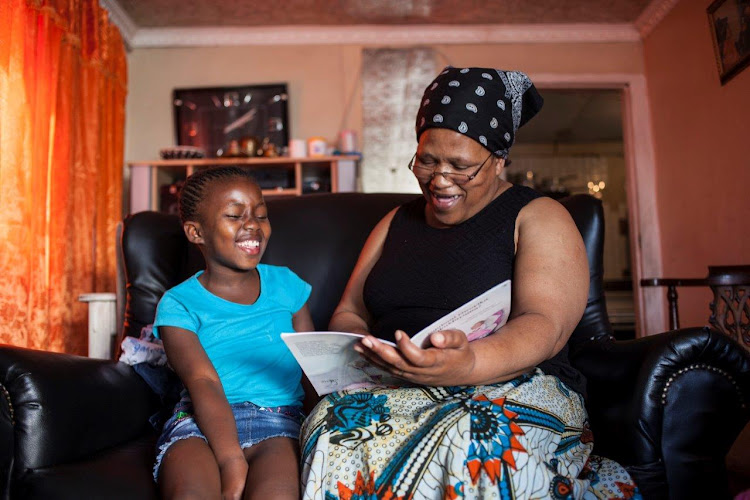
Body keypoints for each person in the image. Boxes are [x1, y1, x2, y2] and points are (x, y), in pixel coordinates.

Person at [301, 67, 639, 499]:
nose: (439, 180)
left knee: (472, 438)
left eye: (461, 166)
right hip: (391, 387)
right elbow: (351, 309)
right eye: (426, 160)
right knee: (332, 428)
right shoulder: (394, 222)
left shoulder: (537, 215)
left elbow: (545, 324)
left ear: (499, 161)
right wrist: (363, 352)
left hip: (510, 384)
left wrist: (468, 365)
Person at [152, 166, 314, 499]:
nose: (253, 225)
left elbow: (311, 363)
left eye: (261, 215)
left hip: (278, 425)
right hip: (198, 423)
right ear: (196, 233)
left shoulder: (287, 285)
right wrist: (230, 460)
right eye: (235, 215)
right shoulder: (178, 304)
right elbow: (204, 382)